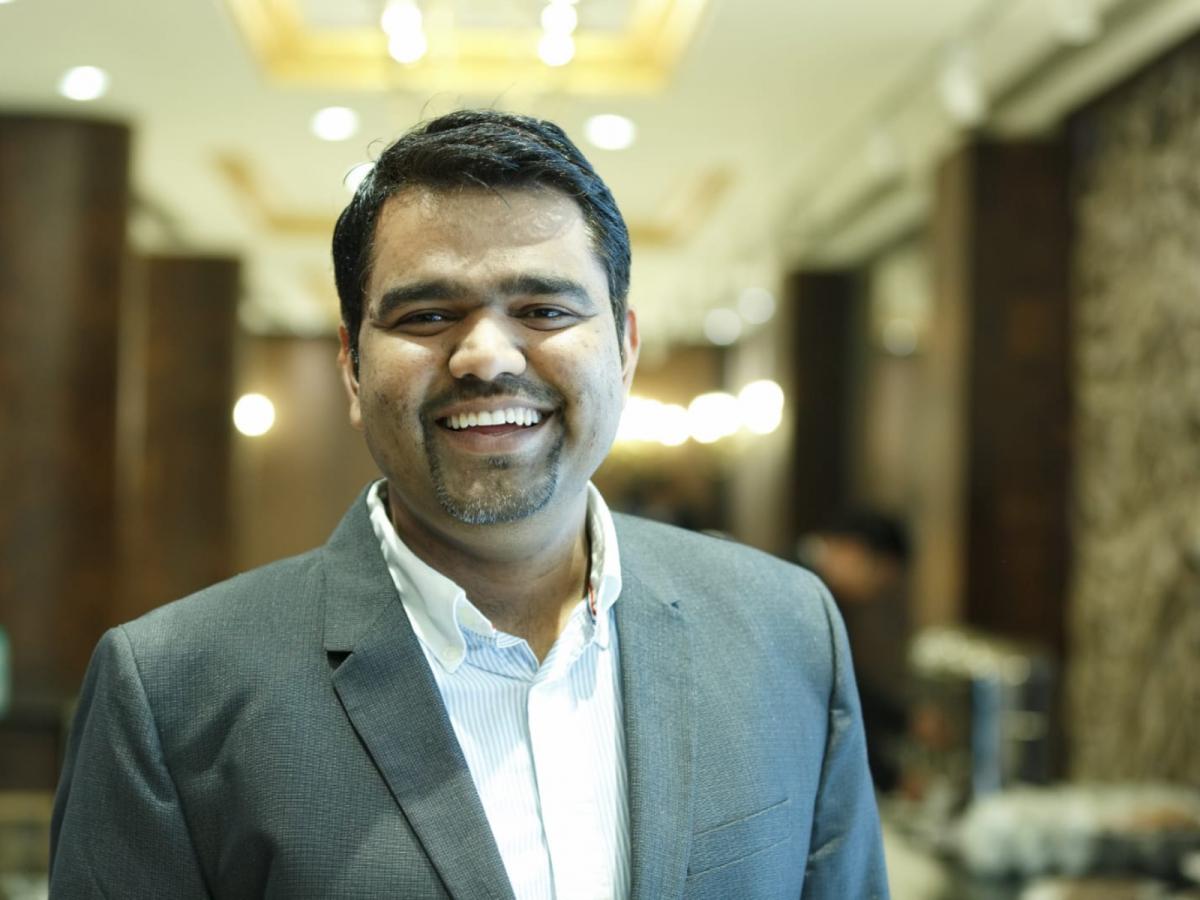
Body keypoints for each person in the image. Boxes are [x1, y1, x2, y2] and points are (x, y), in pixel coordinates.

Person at [49, 110, 889, 899]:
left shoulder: (784, 629)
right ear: (351, 367)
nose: (487, 356)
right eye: (428, 314)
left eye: (544, 309)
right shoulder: (171, 692)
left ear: (625, 350)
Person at [799, 511, 912, 792]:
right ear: (854, 551)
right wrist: (889, 777)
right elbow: (832, 698)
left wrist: (905, 720)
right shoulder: (805, 593)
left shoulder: (810, 586)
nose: (875, 591)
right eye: (879, 578)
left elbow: (845, 679)